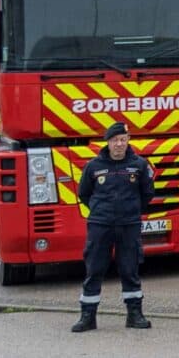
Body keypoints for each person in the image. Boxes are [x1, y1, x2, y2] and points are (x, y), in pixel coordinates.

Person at [72, 121, 156, 333]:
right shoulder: (93, 166)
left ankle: (134, 315)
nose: (119, 144)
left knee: (130, 269)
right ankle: (87, 317)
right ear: (108, 142)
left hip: (129, 225)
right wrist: (100, 210)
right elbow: (84, 193)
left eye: (123, 140)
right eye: (115, 140)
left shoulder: (139, 165)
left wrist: (131, 210)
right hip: (100, 225)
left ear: (128, 141)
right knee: (94, 269)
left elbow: (147, 193)